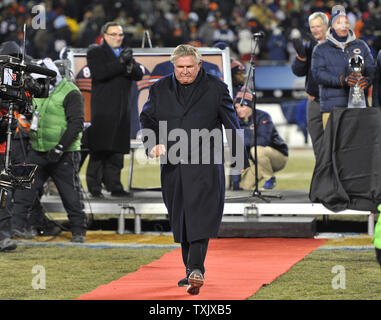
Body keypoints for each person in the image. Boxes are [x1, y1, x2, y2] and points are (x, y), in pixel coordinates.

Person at [140, 44, 248, 295]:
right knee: (181, 218)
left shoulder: (217, 88)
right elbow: (146, 119)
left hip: (206, 162)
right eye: (180, 67)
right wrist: (151, 143)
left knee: (200, 214)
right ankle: (191, 270)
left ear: (199, 65)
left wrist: (240, 158)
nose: (185, 71)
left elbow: (231, 124)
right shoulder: (158, 89)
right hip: (173, 164)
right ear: (173, 66)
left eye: (190, 66)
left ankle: (196, 268)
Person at [11, 58, 87, 243]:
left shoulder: (71, 92)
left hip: (64, 153)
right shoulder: (38, 91)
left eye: (39, 81)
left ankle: (78, 230)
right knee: (22, 189)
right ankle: (15, 227)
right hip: (37, 150)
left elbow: (76, 124)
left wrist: (60, 147)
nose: (36, 85)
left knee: (70, 193)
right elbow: (30, 115)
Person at [86, 22, 143, 198]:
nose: (118, 38)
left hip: (122, 110)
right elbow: (100, 73)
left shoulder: (125, 53)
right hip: (103, 110)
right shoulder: (95, 52)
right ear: (105, 35)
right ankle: (94, 186)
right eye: (114, 34)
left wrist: (129, 65)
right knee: (99, 149)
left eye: (120, 35)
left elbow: (138, 74)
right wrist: (121, 64)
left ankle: (115, 186)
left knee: (117, 151)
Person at [311, 5, 376, 129]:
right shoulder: (320, 49)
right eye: (339, 22)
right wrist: (341, 80)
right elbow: (318, 74)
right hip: (332, 109)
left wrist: (367, 80)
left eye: (346, 22)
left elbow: (371, 69)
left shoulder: (361, 45)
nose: (344, 26)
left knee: (359, 146)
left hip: (359, 109)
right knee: (333, 147)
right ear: (332, 26)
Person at [232, 88, 288, 191]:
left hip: (278, 156)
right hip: (260, 162)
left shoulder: (263, 116)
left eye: (242, 106)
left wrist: (241, 137)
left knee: (256, 150)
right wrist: (235, 184)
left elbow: (263, 141)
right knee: (242, 187)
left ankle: (270, 179)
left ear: (250, 106)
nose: (239, 110)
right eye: (236, 107)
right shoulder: (236, 121)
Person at [291, 12, 328, 157]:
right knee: (318, 146)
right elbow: (298, 71)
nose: (315, 30)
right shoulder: (309, 46)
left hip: (333, 101)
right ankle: (323, 178)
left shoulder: (336, 46)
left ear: (326, 26)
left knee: (334, 144)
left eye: (318, 26)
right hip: (313, 102)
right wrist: (301, 56)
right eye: (313, 27)